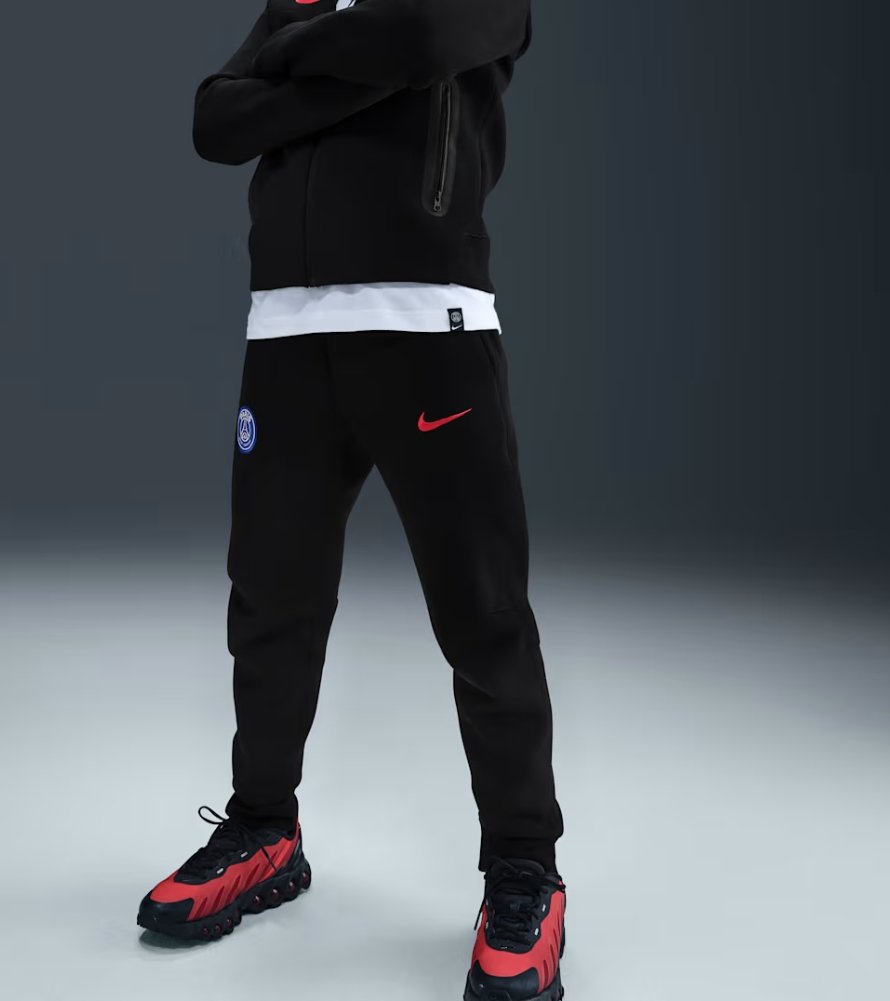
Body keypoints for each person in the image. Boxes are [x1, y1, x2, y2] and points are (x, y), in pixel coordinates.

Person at [137, 2, 566, 998]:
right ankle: (263, 828)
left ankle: (524, 870)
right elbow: (215, 121)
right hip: (285, 336)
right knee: (269, 602)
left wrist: (288, 71)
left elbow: (421, 41)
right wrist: (346, 64)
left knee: (482, 615)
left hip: (426, 326)